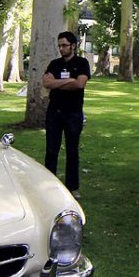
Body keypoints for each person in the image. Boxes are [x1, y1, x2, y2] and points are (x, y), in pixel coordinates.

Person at [43, 31, 91, 199]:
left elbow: (79, 84)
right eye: (59, 46)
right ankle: (49, 185)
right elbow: (46, 83)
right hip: (54, 113)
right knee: (51, 150)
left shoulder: (82, 63)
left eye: (64, 45)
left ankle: (72, 187)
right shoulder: (54, 64)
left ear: (73, 45)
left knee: (72, 151)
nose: (61, 49)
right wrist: (68, 81)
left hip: (73, 114)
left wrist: (58, 84)